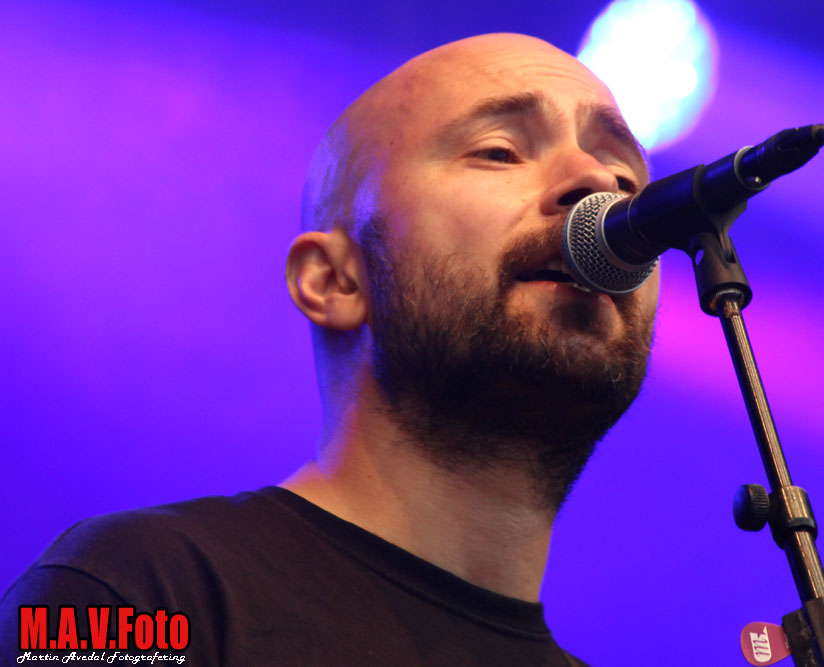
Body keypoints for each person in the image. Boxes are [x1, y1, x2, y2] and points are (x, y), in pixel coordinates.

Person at [1, 33, 659, 665]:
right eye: (499, 151)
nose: (595, 182)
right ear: (335, 280)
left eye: (625, 179)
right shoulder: (131, 593)